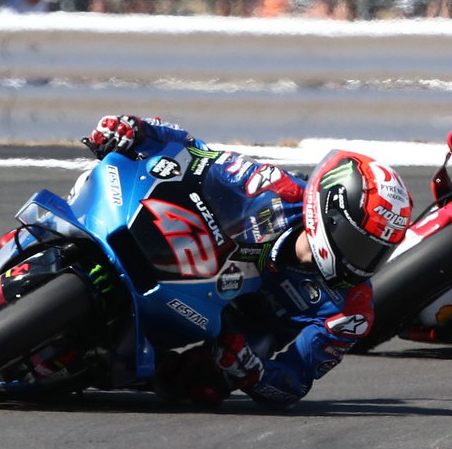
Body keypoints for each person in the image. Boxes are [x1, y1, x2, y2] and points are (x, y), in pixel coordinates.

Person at [80, 115, 412, 407]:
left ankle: (122, 367)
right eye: (360, 243)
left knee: (205, 387)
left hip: (234, 329)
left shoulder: (352, 310)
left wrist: (253, 372)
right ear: (331, 215)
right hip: (190, 262)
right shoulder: (273, 188)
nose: (361, 262)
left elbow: (293, 384)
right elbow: (196, 150)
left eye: (377, 251)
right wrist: (136, 129)